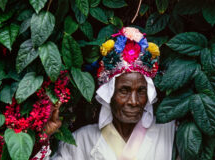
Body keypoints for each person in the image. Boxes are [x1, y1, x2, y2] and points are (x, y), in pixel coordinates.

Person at [33, 27, 176, 160]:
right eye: (124, 91)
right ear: (109, 94)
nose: (134, 101)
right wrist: (44, 136)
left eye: (141, 91)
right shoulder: (82, 140)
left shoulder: (168, 132)